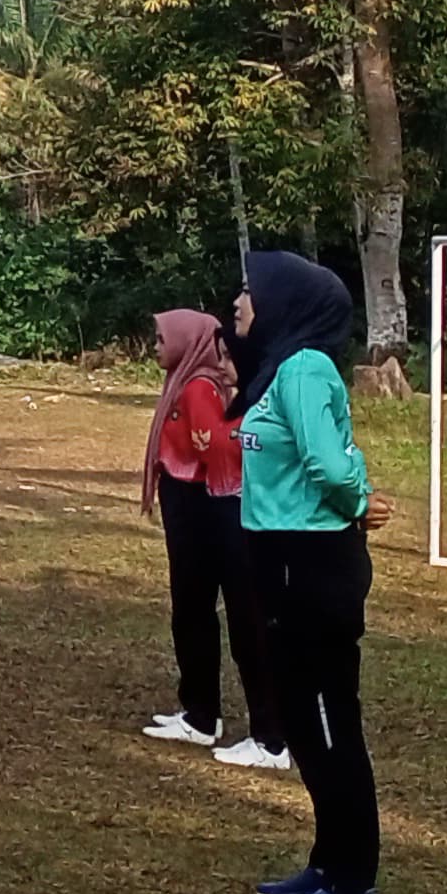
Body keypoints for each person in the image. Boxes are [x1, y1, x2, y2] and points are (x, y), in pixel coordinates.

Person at [235, 252, 386, 894]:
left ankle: (354, 887)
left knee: (328, 723)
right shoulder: (279, 371)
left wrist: (356, 498)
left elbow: (328, 462)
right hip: (282, 559)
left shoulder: (304, 368)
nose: (238, 301)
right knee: (303, 722)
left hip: (312, 563)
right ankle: (326, 863)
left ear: (285, 302)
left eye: (250, 291)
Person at [136, 308, 282, 769]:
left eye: (162, 339)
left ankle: (258, 730)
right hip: (196, 503)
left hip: (206, 505)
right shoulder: (184, 383)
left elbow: (216, 445)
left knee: (224, 615)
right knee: (196, 610)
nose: (157, 348)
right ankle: (201, 714)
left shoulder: (197, 388)